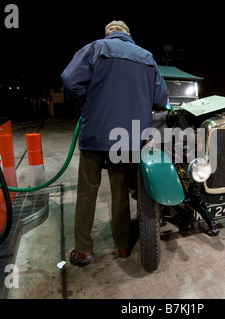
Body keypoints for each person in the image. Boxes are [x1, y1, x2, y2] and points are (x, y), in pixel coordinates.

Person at [61, 20, 168, 266]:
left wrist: (82, 102)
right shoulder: (146, 57)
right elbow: (161, 98)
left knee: (87, 191)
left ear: (109, 33)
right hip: (129, 137)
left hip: (95, 134)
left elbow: (69, 79)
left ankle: (83, 250)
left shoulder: (97, 48)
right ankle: (122, 246)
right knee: (120, 191)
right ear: (128, 35)